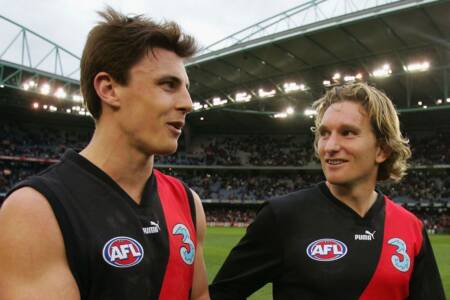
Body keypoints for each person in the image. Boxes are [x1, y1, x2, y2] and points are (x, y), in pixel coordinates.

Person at [0, 7, 209, 300]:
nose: (187, 103)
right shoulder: (36, 212)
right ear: (109, 88)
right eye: (167, 84)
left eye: (186, 88)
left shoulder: (188, 203)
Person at [209, 83, 445, 299]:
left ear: (382, 150)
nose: (330, 146)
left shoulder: (410, 228)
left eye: (347, 133)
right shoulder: (282, 216)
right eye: (324, 133)